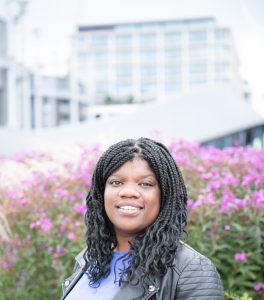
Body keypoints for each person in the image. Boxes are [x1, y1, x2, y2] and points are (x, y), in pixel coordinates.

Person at [61, 138, 224, 300]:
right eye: (116, 182)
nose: (128, 192)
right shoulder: (88, 260)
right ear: (101, 192)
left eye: (145, 184)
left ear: (164, 195)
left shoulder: (191, 270)